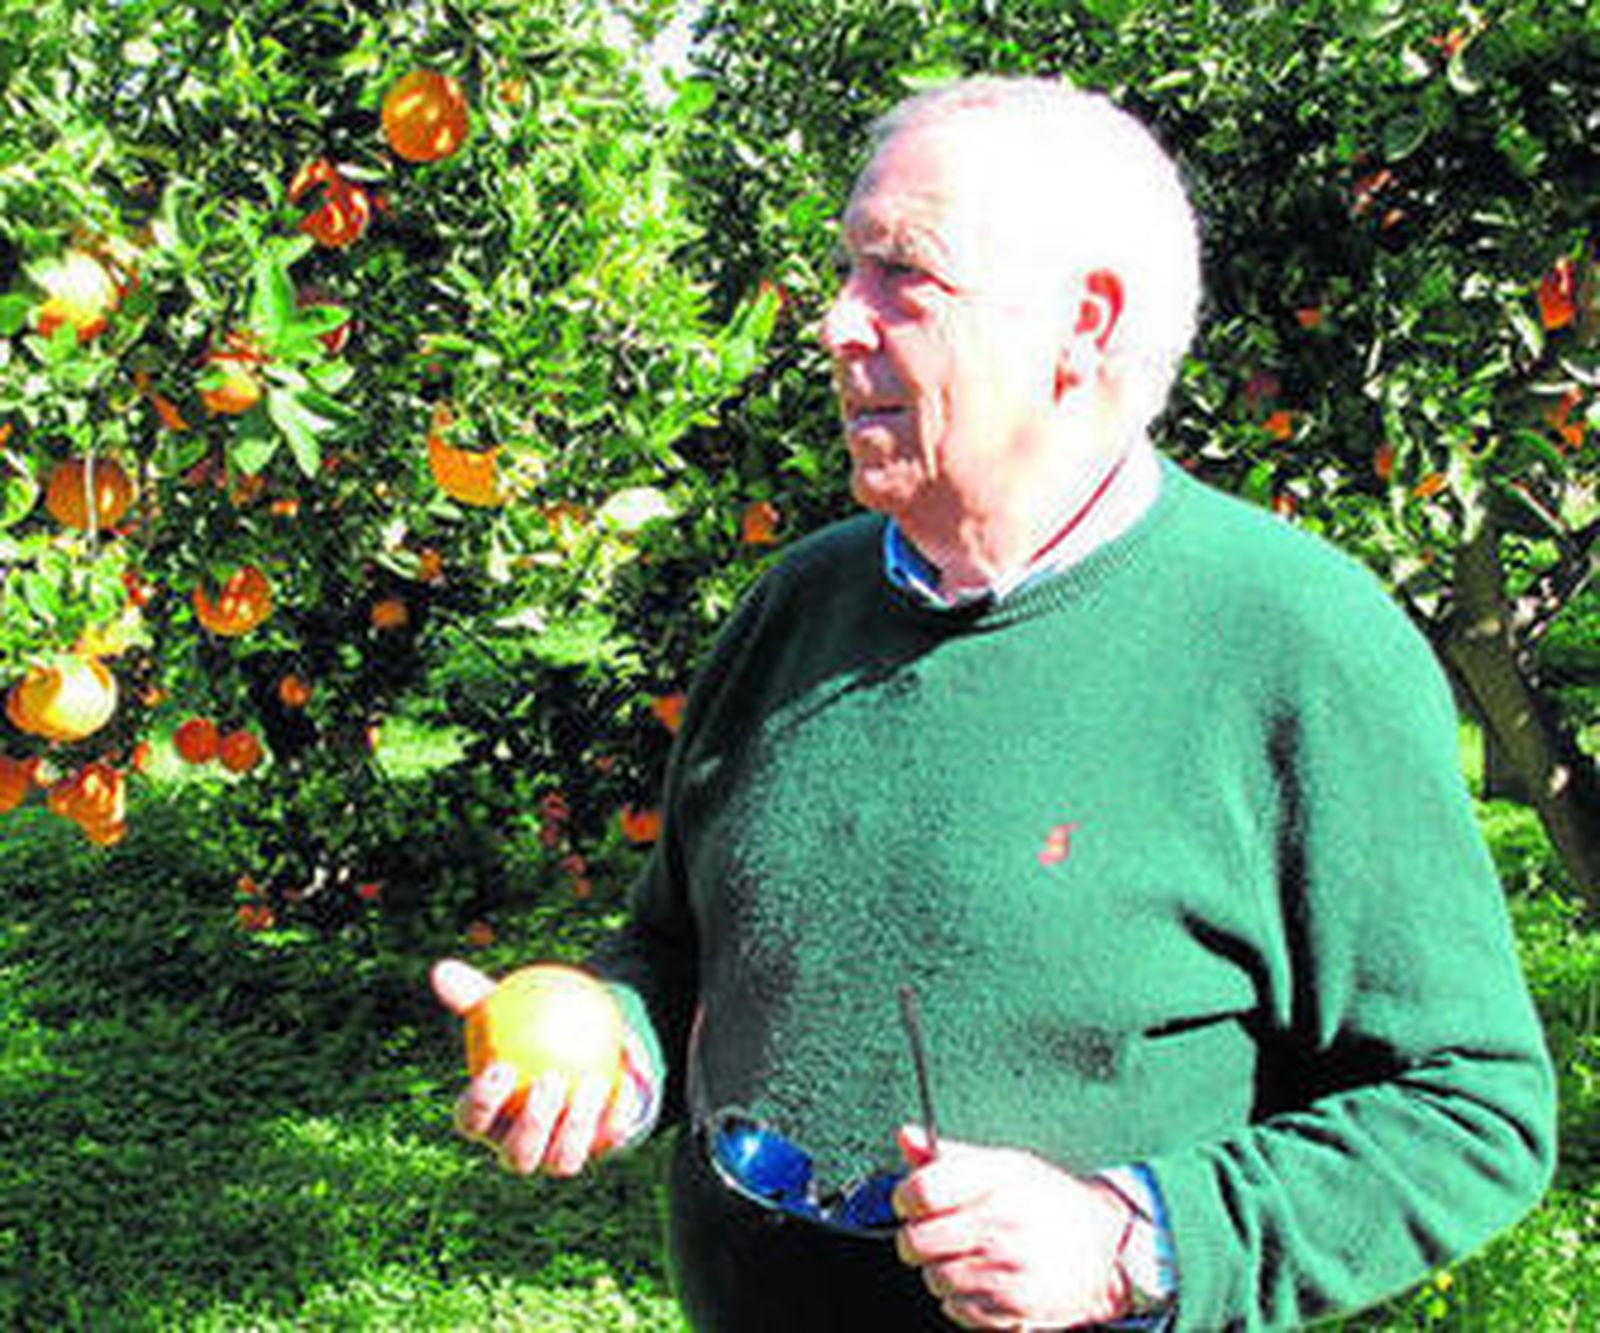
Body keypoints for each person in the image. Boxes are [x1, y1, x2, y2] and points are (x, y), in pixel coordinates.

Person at [432, 76, 1556, 1331]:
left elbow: (1471, 1110)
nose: (833, 323)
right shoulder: (795, 608)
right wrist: (615, 1054)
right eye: (845, 269)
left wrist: (1130, 1237)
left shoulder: (1297, 646)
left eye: (900, 275)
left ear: (1085, 321)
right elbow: (682, 951)